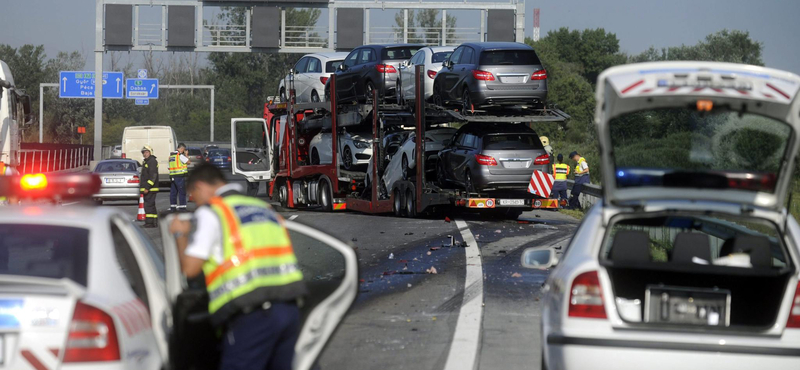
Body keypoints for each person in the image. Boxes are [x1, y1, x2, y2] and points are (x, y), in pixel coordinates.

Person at [169, 162, 307, 370]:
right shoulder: (264, 208)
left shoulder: (213, 212)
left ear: (200, 187)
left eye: (193, 196)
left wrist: (180, 234)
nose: (195, 203)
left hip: (251, 316)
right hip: (289, 309)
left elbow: (190, 269)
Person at [139, 145, 160, 228]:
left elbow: (153, 176)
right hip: (149, 188)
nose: (145, 154)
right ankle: (154, 222)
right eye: (144, 152)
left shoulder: (152, 161)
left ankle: (150, 223)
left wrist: (147, 187)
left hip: (150, 188)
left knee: (148, 206)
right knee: (151, 205)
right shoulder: (147, 161)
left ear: (150, 153)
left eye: (146, 152)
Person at [169, 143, 191, 212]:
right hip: (180, 176)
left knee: (173, 192)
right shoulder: (180, 156)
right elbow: (188, 162)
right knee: (182, 192)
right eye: (184, 150)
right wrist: (186, 154)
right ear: (181, 149)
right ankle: (182, 207)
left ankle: (173, 207)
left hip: (173, 176)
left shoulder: (171, 156)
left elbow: (168, 167)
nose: (184, 151)